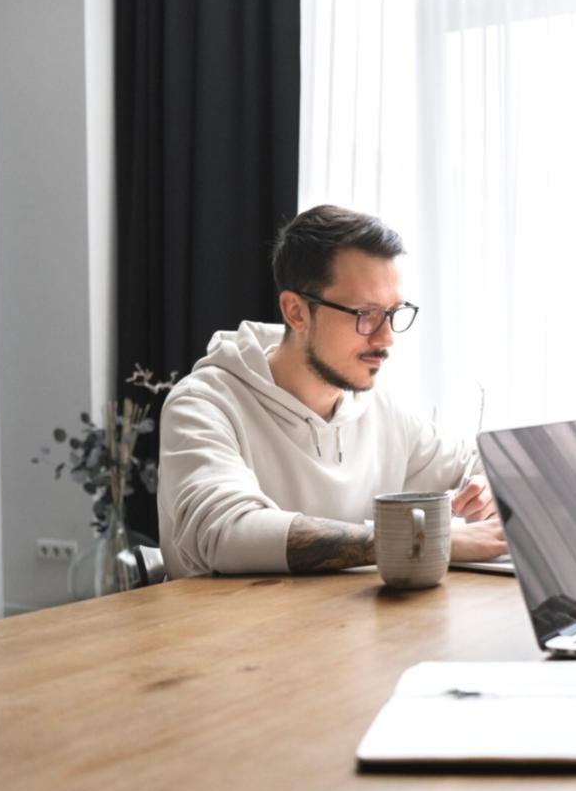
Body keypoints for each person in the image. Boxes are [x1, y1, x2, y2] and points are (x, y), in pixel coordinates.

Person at [158, 204, 507, 578]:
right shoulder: (203, 405)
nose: (386, 338)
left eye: (394, 312)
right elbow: (227, 532)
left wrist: (484, 487)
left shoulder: (381, 410)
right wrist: (419, 541)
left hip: (348, 628)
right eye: (365, 314)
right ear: (296, 312)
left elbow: (476, 463)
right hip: (229, 630)